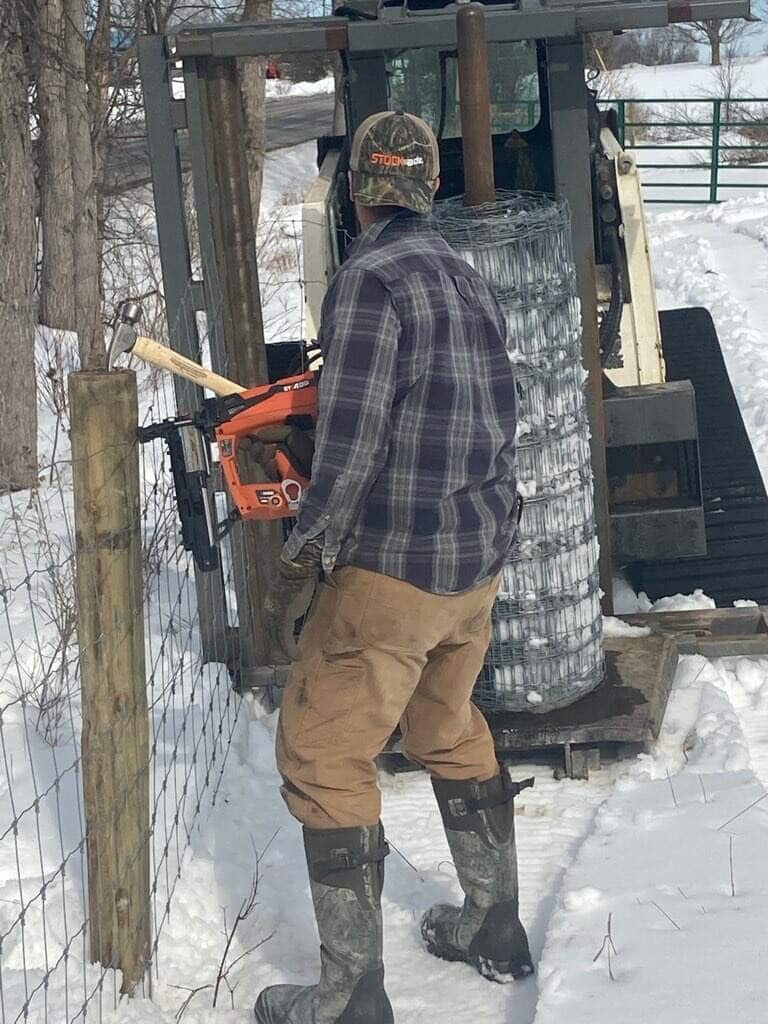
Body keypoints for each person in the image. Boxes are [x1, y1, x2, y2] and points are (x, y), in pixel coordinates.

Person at [255, 110, 532, 1024]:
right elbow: (496, 413)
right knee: (445, 723)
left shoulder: (367, 281)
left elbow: (355, 435)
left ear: (355, 192)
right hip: (475, 562)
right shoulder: (467, 278)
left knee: (323, 752)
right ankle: (494, 924)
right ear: (429, 186)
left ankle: (349, 998)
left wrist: (307, 550)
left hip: (396, 570)